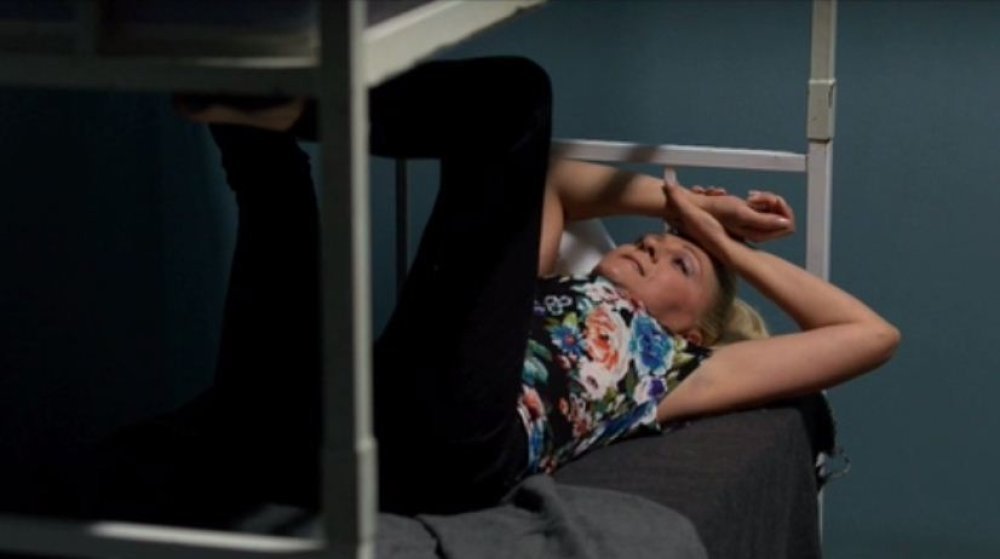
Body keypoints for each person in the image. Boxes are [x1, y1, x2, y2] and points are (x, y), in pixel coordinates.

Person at [78, 56, 897, 523]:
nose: (653, 245)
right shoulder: (532, 288)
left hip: (459, 447)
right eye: (654, 239)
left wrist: (717, 241)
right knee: (275, 187)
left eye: (678, 264)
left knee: (517, 98)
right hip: (348, 419)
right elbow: (555, 182)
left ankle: (294, 100)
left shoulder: (678, 370)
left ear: (698, 331)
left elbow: (870, 335)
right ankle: (243, 88)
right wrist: (686, 204)